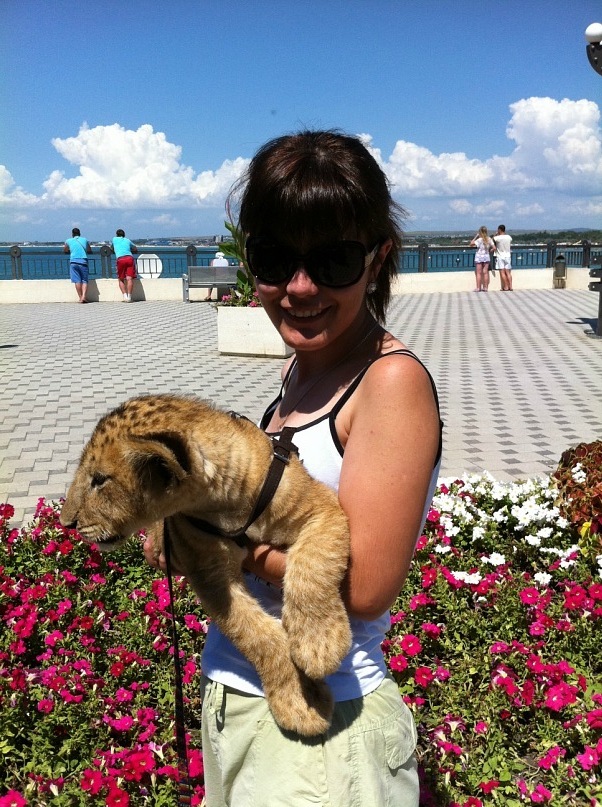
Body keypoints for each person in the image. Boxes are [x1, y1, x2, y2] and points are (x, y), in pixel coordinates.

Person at [143, 129, 442, 807]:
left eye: (333, 261)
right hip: (250, 702)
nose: (300, 287)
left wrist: (220, 541)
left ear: (377, 260)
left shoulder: (389, 382)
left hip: (321, 732)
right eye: (276, 260)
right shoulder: (301, 371)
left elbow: (366, 586)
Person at [63, 227, 92, 303]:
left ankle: (80, 297)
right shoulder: (84, 240)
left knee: (77, 280)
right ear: (79, 233)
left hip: (73, 262)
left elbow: (65, 250)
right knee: (84, 280)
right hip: (83, 261)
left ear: (72, 234)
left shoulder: (68, 240)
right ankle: (84, 296)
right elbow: (89, 250)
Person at [111, 228, 138, 302]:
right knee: (129, 278)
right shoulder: (127, 240)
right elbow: (135, 248)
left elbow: (112, 248)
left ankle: (125, 296)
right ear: (124, 235)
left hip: (120, 259)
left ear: (116, 235)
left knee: (121, 278)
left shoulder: (114, 239)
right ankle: (129, 297)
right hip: (129, 258)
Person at [470, 225, 494, 292]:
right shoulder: (489, 239)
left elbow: (471, 244)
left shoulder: (479, 240)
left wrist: (476, 236)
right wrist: (490, 251)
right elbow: (494, 247)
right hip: (486, 257)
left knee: (479, 273)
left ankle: (478, 288)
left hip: (479, 257)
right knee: (485, 272)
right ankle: (485, 287)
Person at [493, 224, 513, 291]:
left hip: (500, 256)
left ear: (499, 230)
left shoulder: (497, 238)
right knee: (508, 273)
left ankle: (506, 286)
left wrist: (495, 234)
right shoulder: (509, 237)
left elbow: (492, 240)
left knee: (502, 272)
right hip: (508, 256)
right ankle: (511, 286)